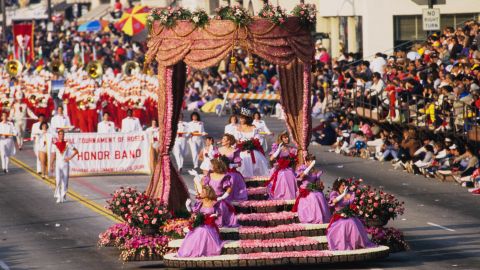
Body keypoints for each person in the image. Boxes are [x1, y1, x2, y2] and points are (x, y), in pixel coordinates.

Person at [327, 178, 376, 251]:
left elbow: (350, 203)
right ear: (338, 186)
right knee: (344, 224)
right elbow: (333, 201)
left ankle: (355, 243)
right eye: (342, 185)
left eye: (345, 185)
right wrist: (343, 194)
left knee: (353, 222)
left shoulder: (349, 194)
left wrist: (346, 194)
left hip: (348, 214)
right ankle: (343, 244)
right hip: (338, 216)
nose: (344, 187)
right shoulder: (334, 193)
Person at [177, 186, 223, 258]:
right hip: (200, 224)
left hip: (210, 225)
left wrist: (215, 215)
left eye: (203, 192)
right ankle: (192, 251)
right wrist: (188, 207)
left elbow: (219, 213)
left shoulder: (214, 203)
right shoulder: (199, 203)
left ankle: (205, 251)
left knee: (203, 231)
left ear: (208, 193)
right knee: (198, 230)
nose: (201, 193)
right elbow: (193, 214)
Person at [292, 155, 331, 224]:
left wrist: (320, 185)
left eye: (313, 161)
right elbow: (301, 176)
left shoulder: (314, 171)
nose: (312, 163)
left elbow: (317, 181)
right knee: (313, 196)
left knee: (320, 195)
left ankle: (322, 217)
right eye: (310, 161)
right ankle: (314, 217)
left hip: (313, 188)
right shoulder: (303, 168)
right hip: (305, 189)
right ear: (306, 162)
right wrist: (309, 167)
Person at [199, 159, 238, 228]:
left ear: (216, 166)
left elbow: (229, 188)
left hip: (219, 199)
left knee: (221, 207)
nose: (209, 167)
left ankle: (217, 222)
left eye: (211, 165)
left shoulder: (224, 176)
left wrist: (222, 197)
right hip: (209, 197)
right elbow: (204, 185)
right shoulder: (209, 175)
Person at [233, 108, 270, 177]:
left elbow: (257, 138)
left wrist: (252, 143)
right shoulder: (237, 128)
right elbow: (236, 140)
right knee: (243, 164)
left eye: (243, 118)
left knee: (258, 163)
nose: (241, 120)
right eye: (240, 118)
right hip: (242, 151)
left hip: (253, 150)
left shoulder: (253, 127)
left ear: (247, 119)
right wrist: (241, 144)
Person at [267, 131, 298, 200]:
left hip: (288, 168)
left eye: (287, 137)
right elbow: (271, 158)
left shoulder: (291, 149)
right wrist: (278, 150)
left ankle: (291, 198)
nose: (287, 139)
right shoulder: (276, 147)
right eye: (284, 137)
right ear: (281, 138)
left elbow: (295, 161)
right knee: (283, 175)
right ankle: (281, 196)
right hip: (278, 169)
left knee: (290, 174)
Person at [216, 134, 248, 201]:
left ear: (229, 141)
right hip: (220, 171)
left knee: (232, 177)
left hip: (230, 171)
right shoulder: (218, 149)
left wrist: (232, 165)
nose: (222, 140)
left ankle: (230, 198)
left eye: (224, 139)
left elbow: (239, 164)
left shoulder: (234, 151)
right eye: (222, 138)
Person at [50, 129, 79, 203]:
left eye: (63, 134)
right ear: (58, 135)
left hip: (65, 164)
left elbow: (76, 151)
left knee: (65, 181)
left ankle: (63, 196)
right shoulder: (55, 144)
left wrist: (69, 158)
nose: (61, 136)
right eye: (60, 134)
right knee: (58, 180)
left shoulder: (67, 143)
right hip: (58, 164)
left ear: (64, 135)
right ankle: (58, 196)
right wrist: (51, 165)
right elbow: (53, 155)